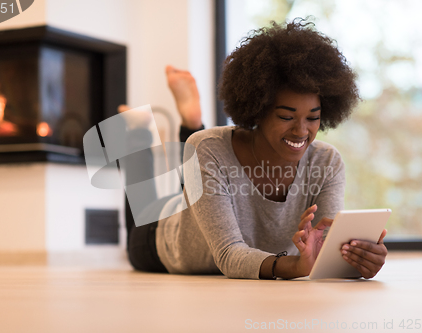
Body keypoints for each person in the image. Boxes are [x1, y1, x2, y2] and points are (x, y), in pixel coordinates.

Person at [123, 19, 388, 280]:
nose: (301, 131)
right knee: (146, 202)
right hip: (160, 241)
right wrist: (295, 267)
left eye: (312, 117)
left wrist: (358, 259)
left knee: (194, 174)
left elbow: (326, 251)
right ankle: (137, 135)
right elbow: (228, 255)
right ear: (258, 110)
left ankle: (191, 120)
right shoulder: (209, 148)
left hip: (206, 188)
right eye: (286, 117)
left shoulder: (327, 162)